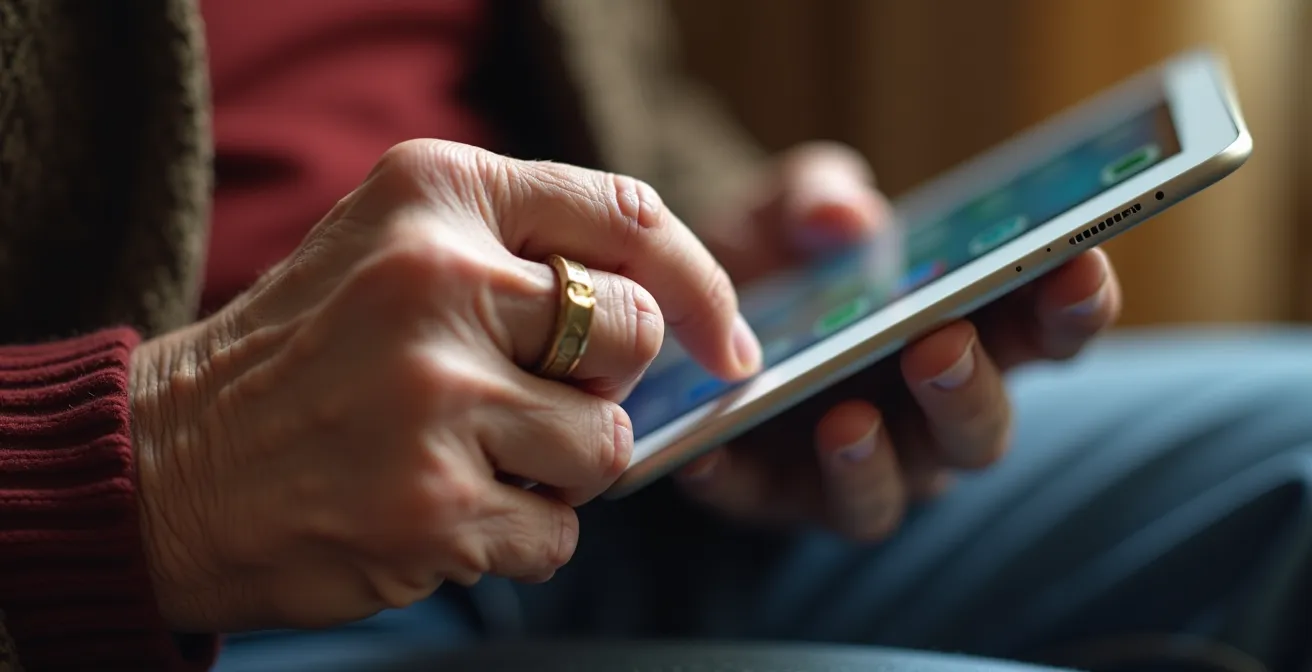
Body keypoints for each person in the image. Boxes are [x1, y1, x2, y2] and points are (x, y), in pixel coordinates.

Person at [0, 1, 1308, 671]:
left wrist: (710, 272)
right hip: (156, 581)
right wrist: (156, 466)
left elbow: (557, 62)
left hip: (609, 462)